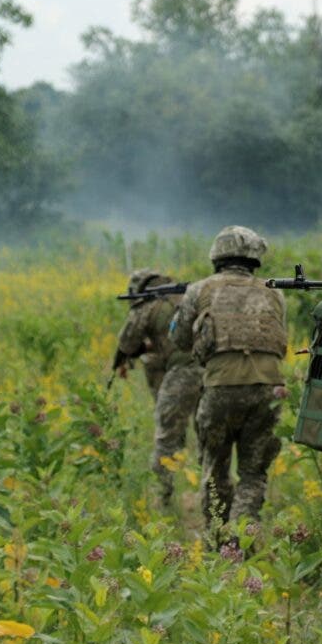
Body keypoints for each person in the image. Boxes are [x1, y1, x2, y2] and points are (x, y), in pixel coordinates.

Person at [170, 226, 288, 541]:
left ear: (217, 256)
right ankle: (242, 536)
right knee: (253, 473)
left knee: (215, 469)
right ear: (254, 259)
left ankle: (221, 542)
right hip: (268, 389)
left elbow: (179, 339)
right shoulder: (274, 291)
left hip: (220, 388)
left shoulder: (199, 290)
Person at [113, 269, 202, 506]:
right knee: (210, 437)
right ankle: (211, 496)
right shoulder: (188, 297)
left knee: (166, 437)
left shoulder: (148, 306)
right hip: (214, 369)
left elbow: (127, 343)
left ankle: (163, 498)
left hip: (183, 373)